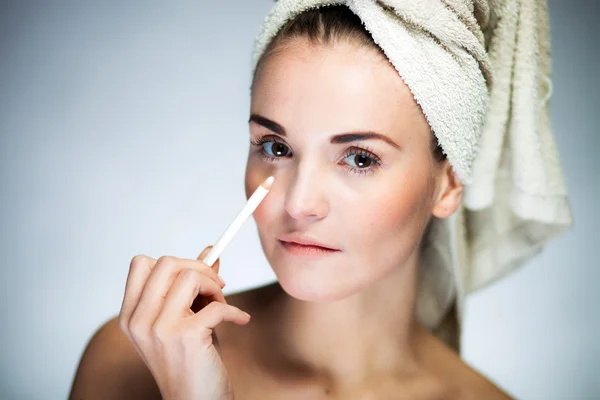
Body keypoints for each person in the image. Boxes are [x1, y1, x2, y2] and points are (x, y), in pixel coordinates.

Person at [70, 1, 572, 399]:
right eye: (276, 147)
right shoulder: (131, 361)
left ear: (449, 184)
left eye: (359, 158)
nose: (299, 203)